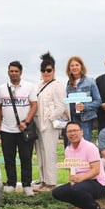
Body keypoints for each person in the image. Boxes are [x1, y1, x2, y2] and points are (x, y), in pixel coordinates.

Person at [0, 60, 38, 196]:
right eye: (11, 71)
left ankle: (27, 185)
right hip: (7, 130)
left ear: (21, 72)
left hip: (24, 129)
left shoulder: (29, 87)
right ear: (8, 72)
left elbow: (34, 105)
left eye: (16, 71)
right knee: (9, 158)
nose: (13, 73)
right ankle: (11, 183)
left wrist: (26, 122)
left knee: (26, 158)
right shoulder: (2, 89)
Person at [52, 122, 105, 209]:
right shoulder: (68, 150)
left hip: (97, 183)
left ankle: (95, 208)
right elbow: (71, 168)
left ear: (81, 132)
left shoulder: (90, 147)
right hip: (79, 182)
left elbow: (96, 170)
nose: (73, 133)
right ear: (66, 134)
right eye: (69, 131)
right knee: (57, 192)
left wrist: (80, 179)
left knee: (77, 189)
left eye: (75, 130)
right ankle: (87, 208)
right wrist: (72, 180)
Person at [32, 52, 66, 192]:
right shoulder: (39, 86)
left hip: (50, 125)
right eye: (43, 70)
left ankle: (51, 183)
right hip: (37, 124)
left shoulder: (57, 85)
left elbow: (61, 106)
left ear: (54, 71)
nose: (46, 73)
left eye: (48, 70)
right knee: (40, 153)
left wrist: (50, 118)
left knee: (50, 153)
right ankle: (43, 180)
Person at [64, 56, 101, 143]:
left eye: (77, 65)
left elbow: (98, 101)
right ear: (69, 68)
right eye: (72, 65)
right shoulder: (69, 83)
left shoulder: (90, 81)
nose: (74, 67)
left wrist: (85, 106)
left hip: (86, 119)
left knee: (84, 144)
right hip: (73, 119)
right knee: (72, 144)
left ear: (81, 67)